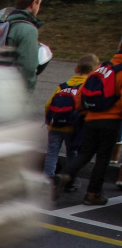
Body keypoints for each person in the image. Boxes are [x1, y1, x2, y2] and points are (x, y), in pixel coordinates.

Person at [57, 37, 122, 206]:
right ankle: (93, 193)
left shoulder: (102, 67)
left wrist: (84, 112)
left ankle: (64, 175)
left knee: (85, 153)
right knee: (102, 159)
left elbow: (82, 92)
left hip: (90, 118)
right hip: (111, 121)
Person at [45, 54, 98, 192]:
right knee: (72, 153)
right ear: (94, 71)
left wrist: (48, 120)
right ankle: (69, 180)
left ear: (76, 69)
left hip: (55, 125)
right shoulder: (86, 87)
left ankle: (48, 179)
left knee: (52, 152)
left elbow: (48, 104)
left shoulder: (62, 86)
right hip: (73, 127)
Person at [0, 0, 43, 92]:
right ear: (34, 3)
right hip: (13, 91)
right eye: (39, 3)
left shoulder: (4, 23)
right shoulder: (28, 29)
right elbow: (28, 68)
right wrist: (27, 93)